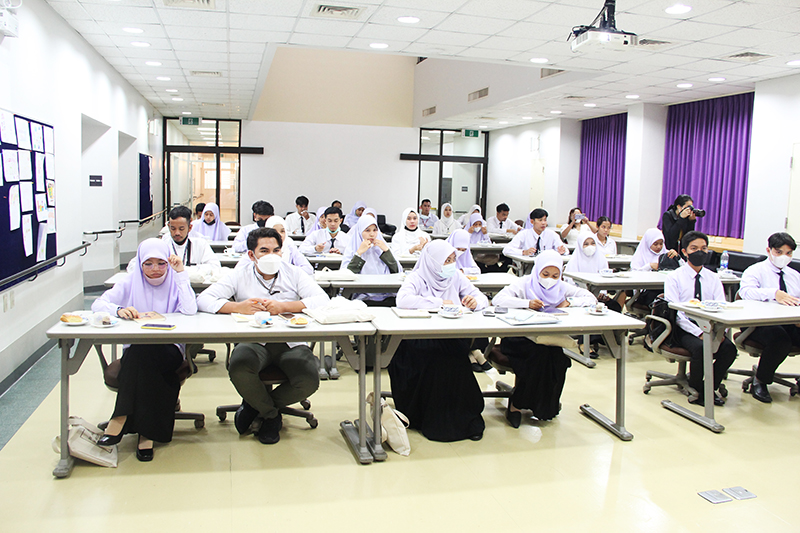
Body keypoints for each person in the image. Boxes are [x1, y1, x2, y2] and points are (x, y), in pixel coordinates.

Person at [197, 228, 329, 444]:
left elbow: (322, 300)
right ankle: (270, 415)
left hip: (290, 343)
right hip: (254, 340)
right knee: (239, 367)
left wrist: (285, 306)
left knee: (308, 380)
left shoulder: (293, 273)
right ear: (251, 255)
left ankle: (255, 405)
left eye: (276, 250)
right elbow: (204, 299)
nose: (272, 256)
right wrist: (237, 307)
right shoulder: (240, 274)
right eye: (264, 250)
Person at [92, 239, 197, 461]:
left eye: (161, 263)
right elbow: (98, 305)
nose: (155, 269)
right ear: (139, 264)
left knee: (142, 355)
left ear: (169, 262)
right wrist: (119, 309)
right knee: (143, 355)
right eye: (148, 264)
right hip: (139, 350)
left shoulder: (175, 279)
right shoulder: (130, 281)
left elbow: (190, 310)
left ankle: (119, 418)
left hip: (169, 349)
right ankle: (146, 434)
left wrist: (180, 274)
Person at [389, 240, 489, 442]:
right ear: (433, 262)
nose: (451, 264)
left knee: (454, 362)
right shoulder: (418, 277)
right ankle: (431, 418)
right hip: (418, 340)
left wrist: (474, 301)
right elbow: (403, 300)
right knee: (440, 363)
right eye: (447, 260)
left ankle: (464, 419)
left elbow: (481, 297)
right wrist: (439, 303)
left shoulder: (455, 276)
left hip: (450, 337)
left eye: (453, 259)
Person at [492, 250, 596, 427]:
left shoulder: (561, 287)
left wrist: (569, 302)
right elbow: (498, 300)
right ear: (537, 270)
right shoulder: (525, 283)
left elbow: (590, 298)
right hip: (519, 339)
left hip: (547, 340)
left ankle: (546, 407)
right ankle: (516, 405)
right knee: (537, 358)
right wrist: (526, 304)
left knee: (559, 360)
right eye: (545, 274)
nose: (550, 279)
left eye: (555, 275)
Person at [664, 231, 737, 406]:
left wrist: (717, 330)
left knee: (729, 349)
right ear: (684, 252)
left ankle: (709, 386)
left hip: (710, 327)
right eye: (694, 248)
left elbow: (721, 306)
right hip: (683, 327)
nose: (700, 252)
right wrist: (698, 332)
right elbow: (675, 312)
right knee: (700, 348)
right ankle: (697, 389)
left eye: (704, 249)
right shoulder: (674, 277)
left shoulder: (713, 278)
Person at [738, 232, 800, 403]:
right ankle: (761, 381)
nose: (783, 257)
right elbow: (745, 292)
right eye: (779, 252)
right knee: (781, 340)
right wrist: (773, 293)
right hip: (758, 325)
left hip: (789, 323)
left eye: (788, 253)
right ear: (769, 250)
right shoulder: (756, 271)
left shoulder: (794, 275)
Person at [130, 206, 220, 272]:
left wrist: (184, 270)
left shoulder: (200, 244)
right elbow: (132, 266)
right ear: (168, 226)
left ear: (190, 228)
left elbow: (215, 267)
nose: (177, 233)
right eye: (173, 229)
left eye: (181, 229)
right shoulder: (161, 244)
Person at [341, 214, 399, 305]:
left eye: (375, 230)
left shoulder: (382, 248)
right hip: (362, 297)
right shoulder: (353, 248)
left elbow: (396, 272)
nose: (372, 234)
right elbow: (346, 275)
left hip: (386, 295)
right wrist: (359, 253)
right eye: (367, 230)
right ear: (360, 231)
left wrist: (386, 251)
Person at [503, 208, 567, 258]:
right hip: (528, 267)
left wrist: (562, 251)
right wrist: (524, 252)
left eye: (545, 220)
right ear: (532, 221)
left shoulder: (552, 234)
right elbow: (506, 250)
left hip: (547, 266)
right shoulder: (524, 234)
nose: (543, 223)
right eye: (540, 220)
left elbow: (566, 251)